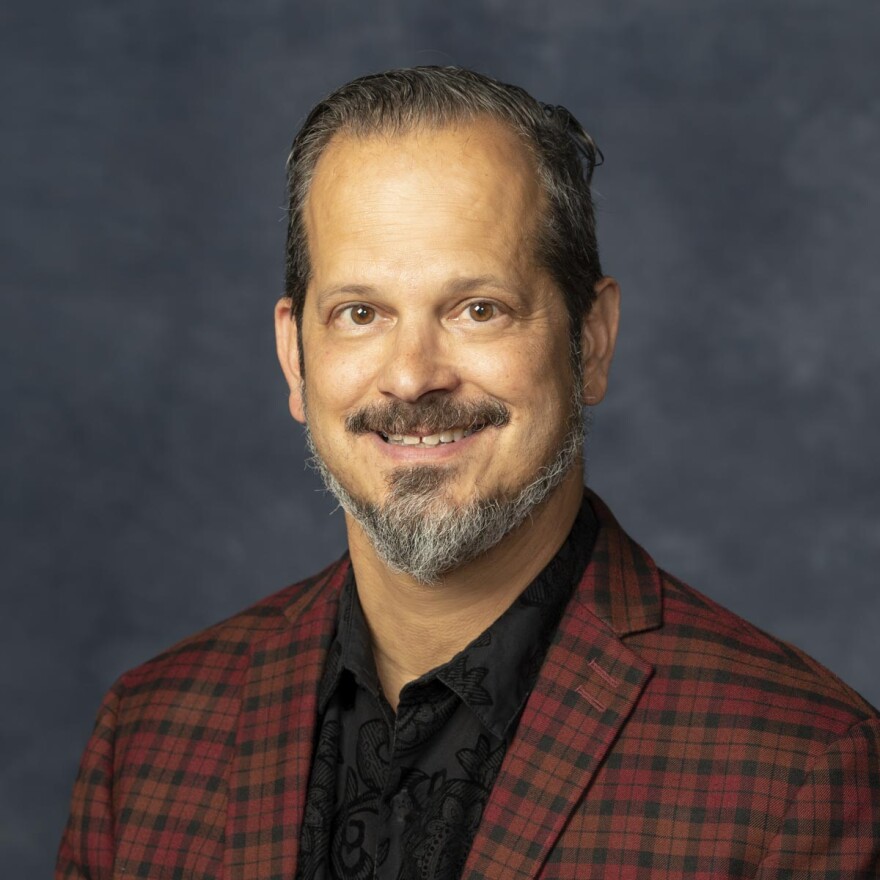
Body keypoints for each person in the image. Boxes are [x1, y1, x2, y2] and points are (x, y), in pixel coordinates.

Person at [57, 67, 879, 880]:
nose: (413, 377)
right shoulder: (148, 737)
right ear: (294, 357)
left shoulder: (801, 770)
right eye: (360, 313)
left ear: (589, 341)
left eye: (477, 309)